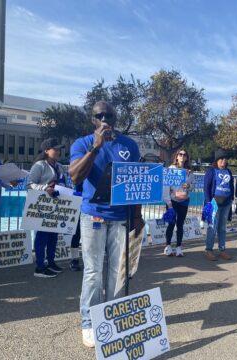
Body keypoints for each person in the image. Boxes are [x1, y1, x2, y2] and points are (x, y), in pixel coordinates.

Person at [69, 101, 144, 348]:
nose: (105, 119)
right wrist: (95, 147)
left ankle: (110, 318)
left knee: (116, 271)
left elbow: (136, 184)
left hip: (121, 217)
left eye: (109, 115)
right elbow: (75, 176)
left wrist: (137, 215)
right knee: (93, 272)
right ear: (93, 120)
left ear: (115, 117)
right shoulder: (82, 144)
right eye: (100, 115)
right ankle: (89, 323)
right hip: (94, 217)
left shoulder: (129, 145)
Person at [27, 138, 66, 278]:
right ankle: (39, 267)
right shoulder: (39, 165)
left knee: (54, 235)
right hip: (43, 205)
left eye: (59, 148)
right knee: (42, 235)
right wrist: (44, 188)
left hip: (56, 205)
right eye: (55, 149)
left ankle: (51, 262)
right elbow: (29, 184)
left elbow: (62, 183)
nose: (58, 151)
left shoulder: (59, 166)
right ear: (46, 151)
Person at [203, 149, 234, 261]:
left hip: (226, 203)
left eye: (225, 159)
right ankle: (208, 250)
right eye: (221, 158)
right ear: (216, 160)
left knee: (222, 227)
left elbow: (231, 186)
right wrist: (208, 203)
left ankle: (222, 249)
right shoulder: (211, 171)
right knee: (212, 227)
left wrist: (231, 199)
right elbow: (206, 188)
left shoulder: (228, 171)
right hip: (214, 203)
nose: (223, 161)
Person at [163, 148, 194, 257]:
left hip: (184, 201)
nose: (182, 156)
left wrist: (188, 186)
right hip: (173, 201)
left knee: (180, 225)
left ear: (186, 158)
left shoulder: (189, 171)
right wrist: (169, 203)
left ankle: (179, 247)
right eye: (180, 154)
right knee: (171, 224)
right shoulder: (171, 169)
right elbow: (166, 187)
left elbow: (192, 186)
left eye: (184, 155)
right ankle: (168, 246)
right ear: (176, 156)